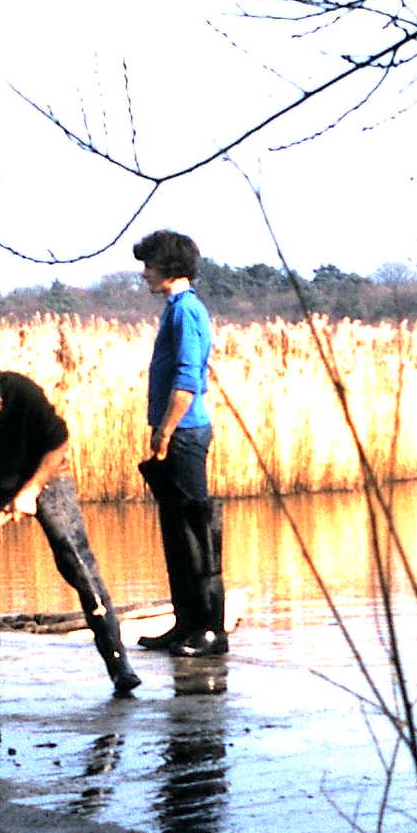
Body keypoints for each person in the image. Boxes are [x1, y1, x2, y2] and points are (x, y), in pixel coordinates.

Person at [0, 370, 143, 697]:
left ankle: (118, 664)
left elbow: (59, 441)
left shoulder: (21, 393)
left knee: (74, 558)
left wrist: (30, 491)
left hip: (44, 474)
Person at [132, 229, 227, 657]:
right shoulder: (175, 309)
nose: (144, 273)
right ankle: (186, 623)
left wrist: (166, 431)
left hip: (186, 433)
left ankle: (210, 630)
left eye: (148, 265)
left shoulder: (187, 311)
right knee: (175, 531)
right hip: (177, 431)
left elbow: (189, 381)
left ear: (168, 267)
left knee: (195, 530)